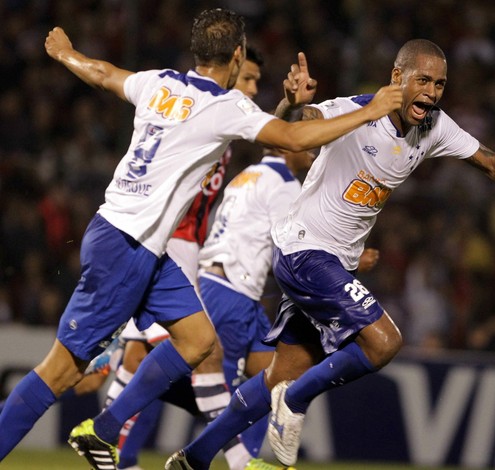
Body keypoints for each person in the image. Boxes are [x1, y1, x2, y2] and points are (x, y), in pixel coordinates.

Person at [164, 38, 495, 470]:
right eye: (423, 80)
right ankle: (294, 402)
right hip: (304, 250)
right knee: (384, 342)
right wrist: (291, 104)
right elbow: (292, 129)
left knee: (281, 372)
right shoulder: (353, 111)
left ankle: (195, 457)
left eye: (440, 84)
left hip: (332, 262)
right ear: (397, 78)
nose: (431, 92)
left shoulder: (434, 126)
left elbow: (490, 161)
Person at [0, 8, 402, 470]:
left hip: (147, 249)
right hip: (125, 243)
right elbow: (291, 139)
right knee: (62, 370)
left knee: (198, 340)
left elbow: (104, 74)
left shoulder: (160, 83)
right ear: (236, 56)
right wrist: (371, 110)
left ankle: (103, 432)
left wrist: (67, 53)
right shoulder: (224, 105)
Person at [101, 46, 273, 470]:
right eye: (247, 78)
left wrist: (287, 104)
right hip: (169, 239)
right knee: (203, 351)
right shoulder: (210, 109)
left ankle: (107, 447)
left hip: (169, 240)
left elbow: (268, 131)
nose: (252, 88)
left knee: (141, 356)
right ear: (231, 67)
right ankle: (236, 461)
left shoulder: (221, 111)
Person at [196, 143, 380, 462]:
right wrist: (343, 260)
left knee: (273, 377)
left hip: (227, 283)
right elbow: (291, 243)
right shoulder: (284, 184)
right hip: (233, 290)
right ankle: (225, 460)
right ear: (284, 145)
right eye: (306, 143)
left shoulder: (247, 175)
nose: (313, 150)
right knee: (212, 386)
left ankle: (240, 461)